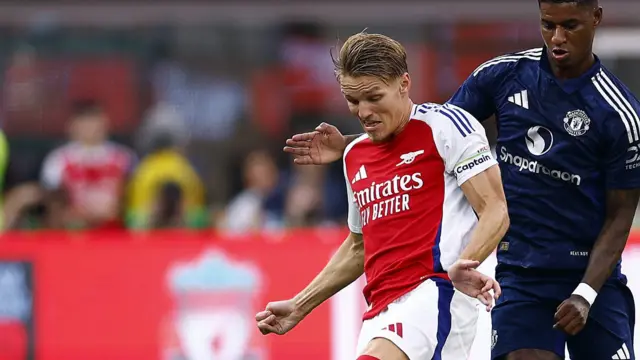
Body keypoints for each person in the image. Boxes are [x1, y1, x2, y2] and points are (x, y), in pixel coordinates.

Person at [282, 1, 640, 359]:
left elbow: (620, 216)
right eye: (548, 25)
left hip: (589, 276)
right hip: (519, 275)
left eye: (570, 26)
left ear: (596, 18)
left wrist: (586, 293)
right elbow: (428, 134)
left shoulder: (618, 113)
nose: (557, 37)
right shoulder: (503, 75)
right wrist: (349, 144)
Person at [256, 32, 510, 359]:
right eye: (352, 100)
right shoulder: (354, 155)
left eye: (374, 97)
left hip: (436, 293)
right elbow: (359, 245)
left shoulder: (447, 127)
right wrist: (300, 304)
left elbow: (495, 208)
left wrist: (467, 262)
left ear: (404, 83)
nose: (363, 111)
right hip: (379, 311)